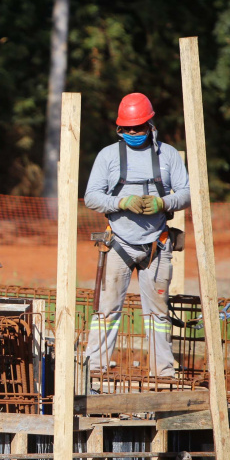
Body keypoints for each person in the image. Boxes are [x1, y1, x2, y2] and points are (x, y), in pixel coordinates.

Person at [83, 93, 191, 377]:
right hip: (118, 243)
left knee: (158, 312)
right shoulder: (108, 156)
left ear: (150, 124)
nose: (132, 133)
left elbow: (187, 192)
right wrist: (121, 202)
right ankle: (94, 368)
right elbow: (91, 196)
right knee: (106, 309)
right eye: (127, 129)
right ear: (119, 128)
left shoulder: (167, 155)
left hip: (158, 244)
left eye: (138, 128)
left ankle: (163, 372)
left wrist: (163, 202)